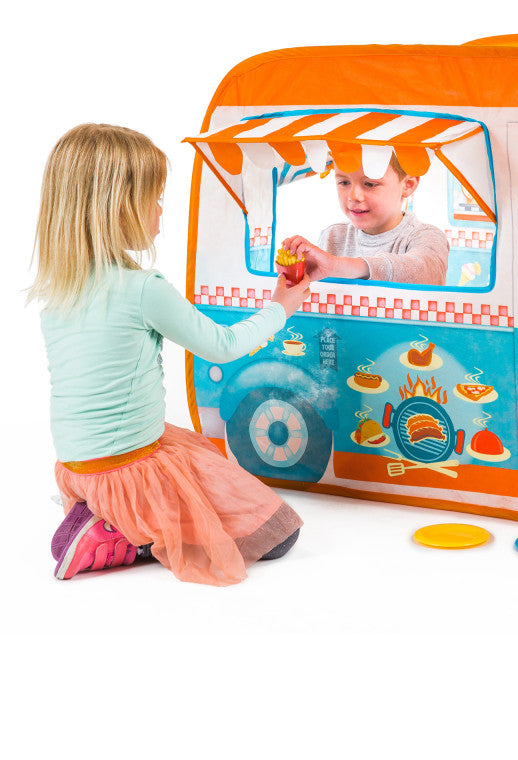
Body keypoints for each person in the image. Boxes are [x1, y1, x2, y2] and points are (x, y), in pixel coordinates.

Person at [30, 124, 313, 585]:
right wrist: (281, 305)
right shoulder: (143, 289)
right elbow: (221, 346)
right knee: (278, 534)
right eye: (155, 198)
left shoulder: (57, 290)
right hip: (129, 467)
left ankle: (104, 513)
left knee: (191, 451)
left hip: (78, 470)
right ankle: (125, 533)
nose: (161, 210)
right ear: (119, 208)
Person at [282, 153, 449, 285]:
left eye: (370, 184)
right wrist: (295, 273)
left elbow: (426, 273)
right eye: (344, 182)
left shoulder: (427, 236)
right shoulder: (333, 235)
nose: (354, 196)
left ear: (408, 185)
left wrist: (337, 265)